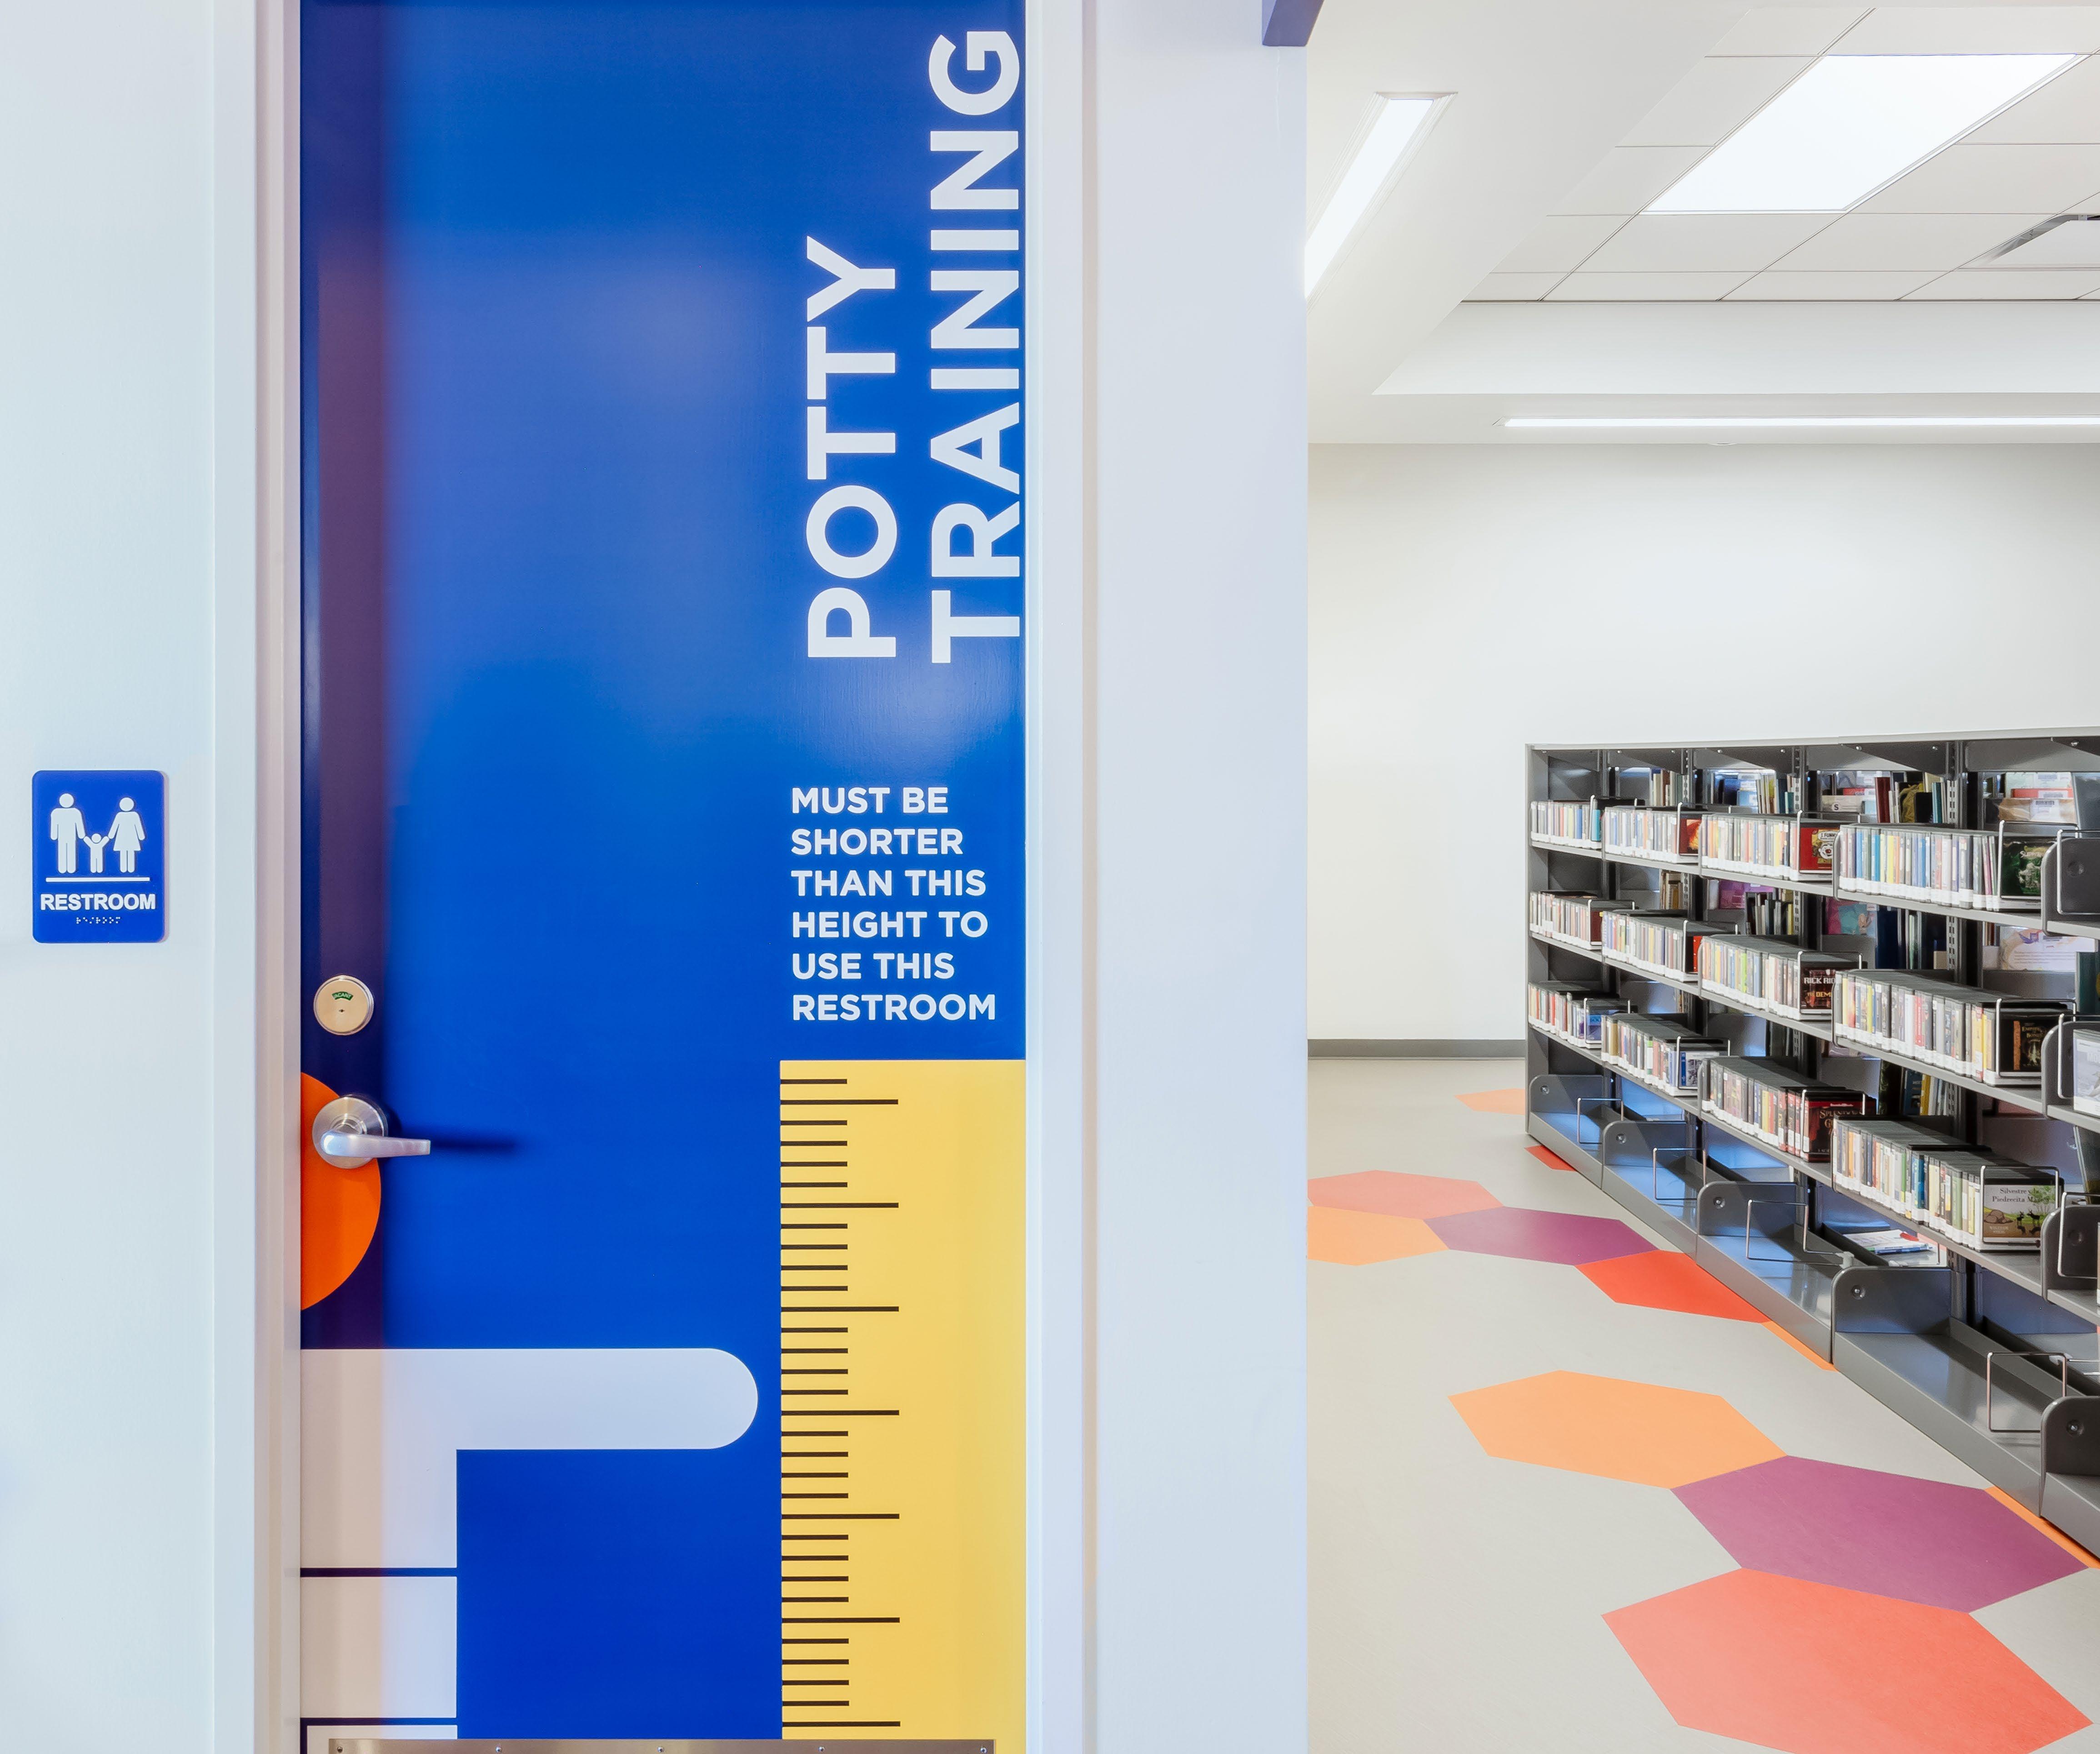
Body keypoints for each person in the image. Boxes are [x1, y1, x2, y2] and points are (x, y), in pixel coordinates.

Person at [49, 792, 86, 874]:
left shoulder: (57, 813)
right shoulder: (74, 812)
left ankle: (65, 869)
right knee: (69, 850)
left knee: (65, 850)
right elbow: (79, 825)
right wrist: (82, 835)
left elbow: (79, 825)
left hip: (67, 836)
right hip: (69, 836)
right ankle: (69, 868)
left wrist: (54, 836)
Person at [109, 798, 146, 874]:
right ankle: (126, 868)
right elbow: (115, 826)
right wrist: (141, 836)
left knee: (128, 852)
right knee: (126, 852)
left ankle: (129, 868)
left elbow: (138, 826)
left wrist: (111, 836)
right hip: (127, 838)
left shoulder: (131, 815)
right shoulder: (123, 815)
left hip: (127, 838)